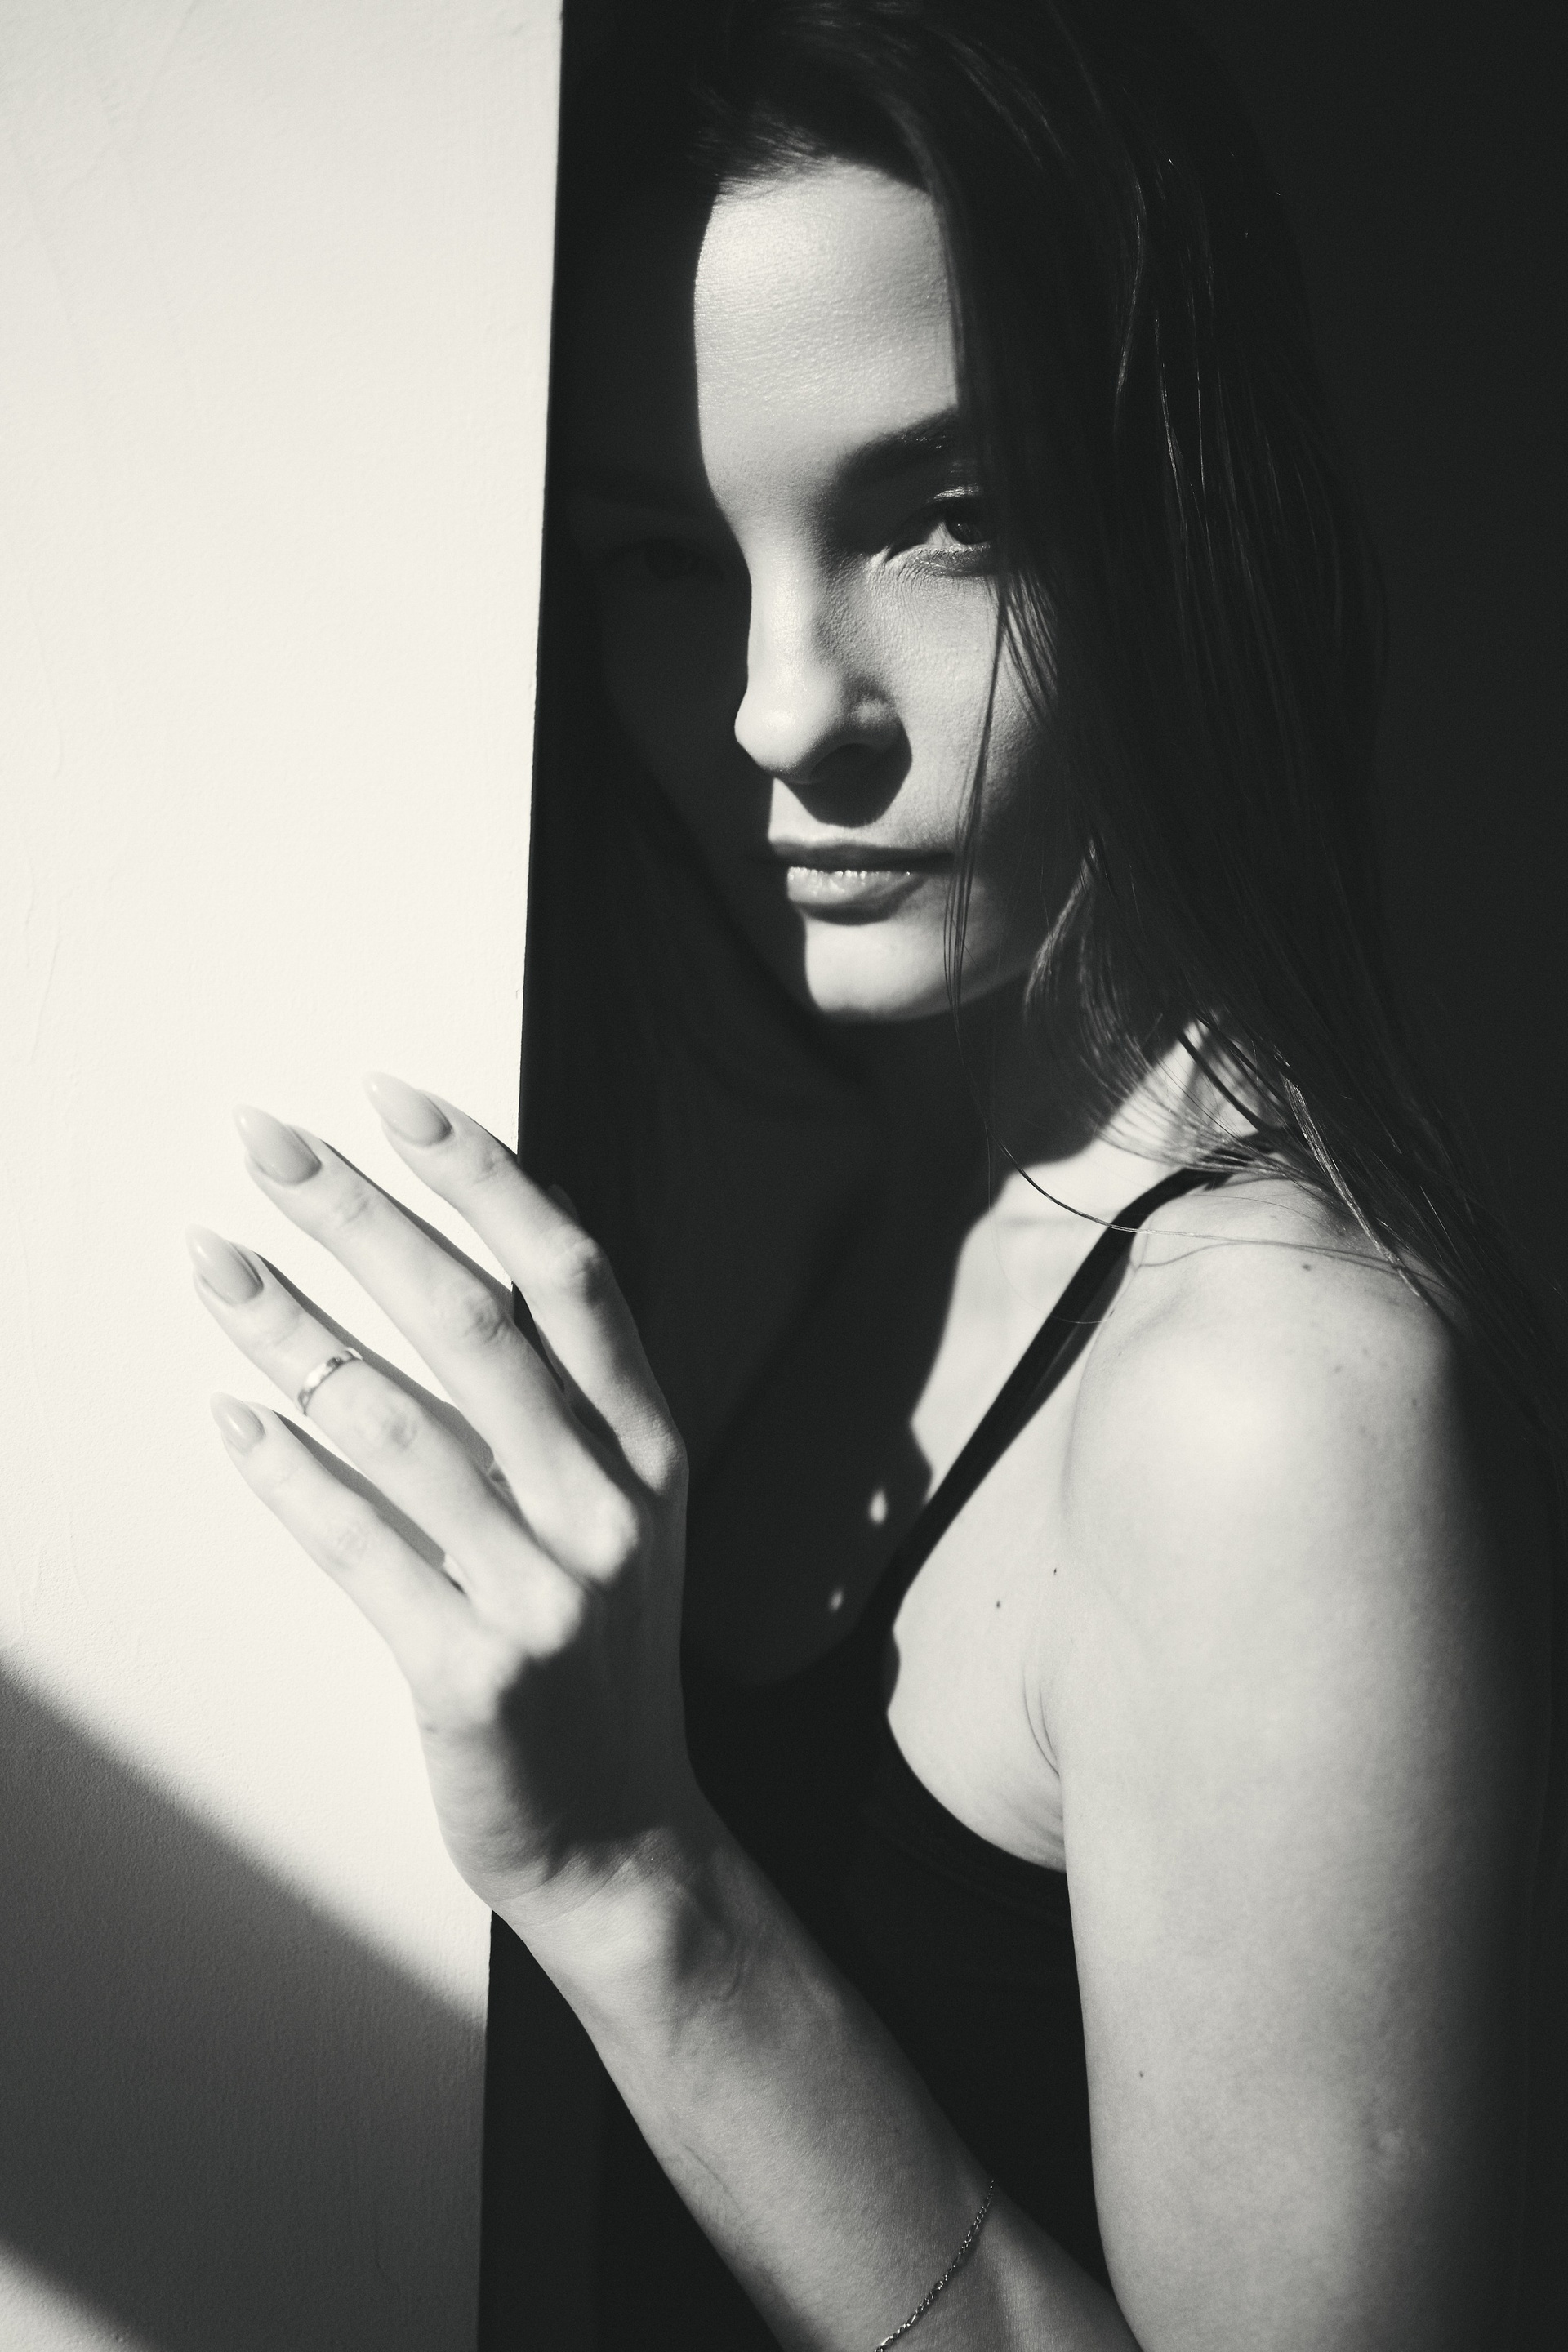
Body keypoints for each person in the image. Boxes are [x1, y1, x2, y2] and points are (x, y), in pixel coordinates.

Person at [188, 2, 1564, 2345]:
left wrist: (638, 1882)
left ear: (1181, 510)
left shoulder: (1271, 1411)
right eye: (659, 558)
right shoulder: (875, 1205)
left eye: (943, 519)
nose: (771, 710)